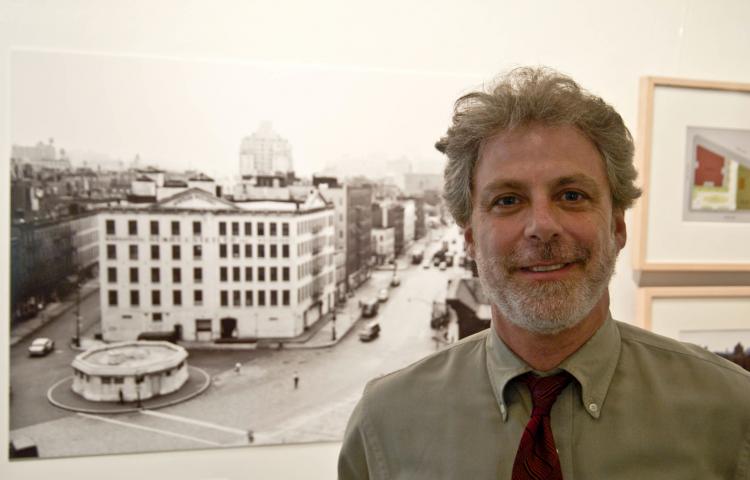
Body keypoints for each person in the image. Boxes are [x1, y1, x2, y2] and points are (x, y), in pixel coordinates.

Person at [338, 67, 750, 479]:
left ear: (618, 226)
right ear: (469, 239)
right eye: (507, 200)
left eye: (572, 195)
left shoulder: (732, 416)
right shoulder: (385, 426)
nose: (541, 226)